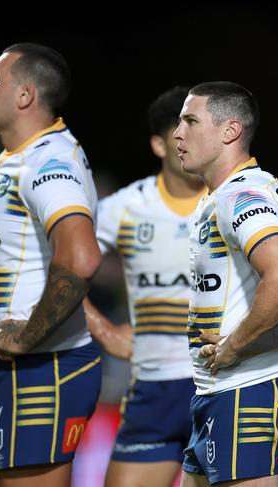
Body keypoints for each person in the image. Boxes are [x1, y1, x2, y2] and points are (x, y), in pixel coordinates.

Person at [174, 81, 278, 487]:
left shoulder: (243, 193)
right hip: (218, 391)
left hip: (248, 389)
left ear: (230, 131)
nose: (178, 134)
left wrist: (233, 346)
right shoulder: (221, 195)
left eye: (190, 121)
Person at [84, 86, 207, 487]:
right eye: (180, 133)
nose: (192, 144)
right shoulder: (125, 207)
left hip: (222, 388)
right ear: (159, 144)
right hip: (152, 391)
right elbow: (57, 270)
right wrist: (104, 331)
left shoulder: (238, 202)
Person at [0, 43, 102, 486]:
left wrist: (26, 338)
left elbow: (80, 258)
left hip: (42, 368)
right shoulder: (18, 158)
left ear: (24, 96)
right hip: (19, 368)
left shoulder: (49, 160)